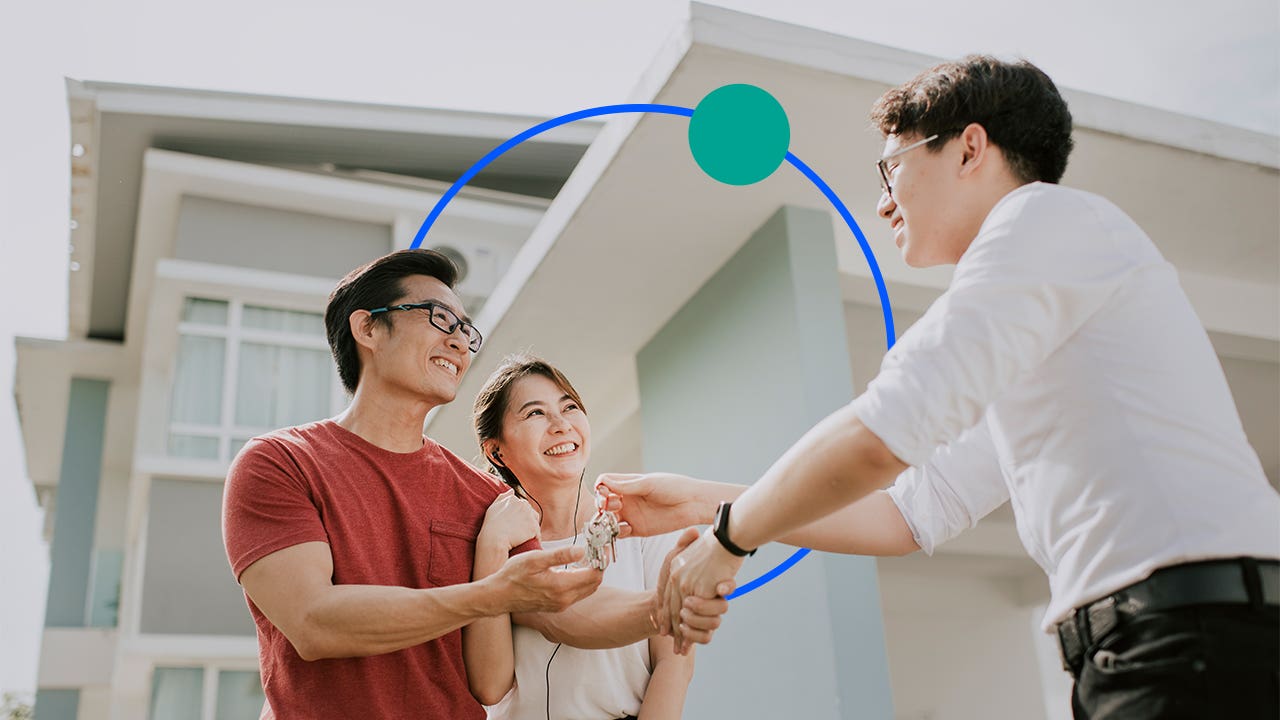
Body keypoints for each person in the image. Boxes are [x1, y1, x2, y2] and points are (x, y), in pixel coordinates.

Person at [599, 55, 1280, 720]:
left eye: (892, 167)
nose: (881, 199)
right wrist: (701, 503)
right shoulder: (1039, 315)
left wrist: (728, 541)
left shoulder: (1041, 223)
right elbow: (910, 514)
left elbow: (880, 436)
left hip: (1191, 639)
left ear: (970, 148)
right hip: (1163, 643)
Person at [221, 250, 607, 719]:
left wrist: (677, 593)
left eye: (467, 331)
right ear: (368, 329)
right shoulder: (279, 463)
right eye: (441, 319)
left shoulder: (488, 500)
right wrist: (487, 595)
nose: (461, 344)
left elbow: (533, 643)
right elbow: (313, 623)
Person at [465, 355, 694, 719]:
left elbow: (673, 664)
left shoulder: (643, 526)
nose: (561, 425)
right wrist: (490, 548)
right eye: (535, 413)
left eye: (569, 407)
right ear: (497, 451)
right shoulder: (490, 541)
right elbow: (490, 686)